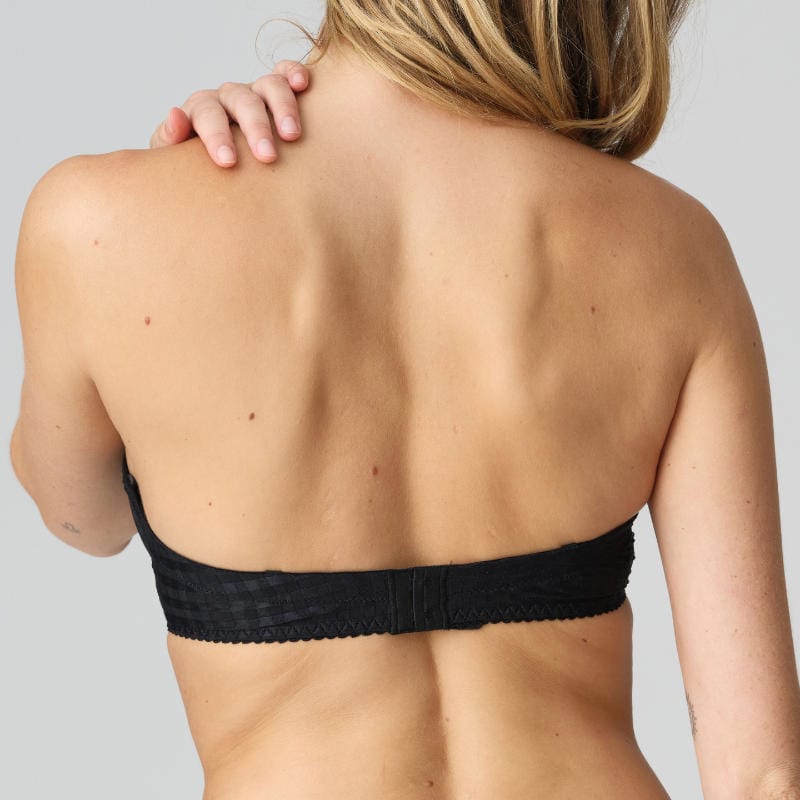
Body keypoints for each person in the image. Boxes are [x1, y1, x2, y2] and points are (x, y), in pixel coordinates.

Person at [10, 2, 800, 798]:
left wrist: (167, 189)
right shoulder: (672, 245)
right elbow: (762, 776)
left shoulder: (97, 225)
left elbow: (87, 520)